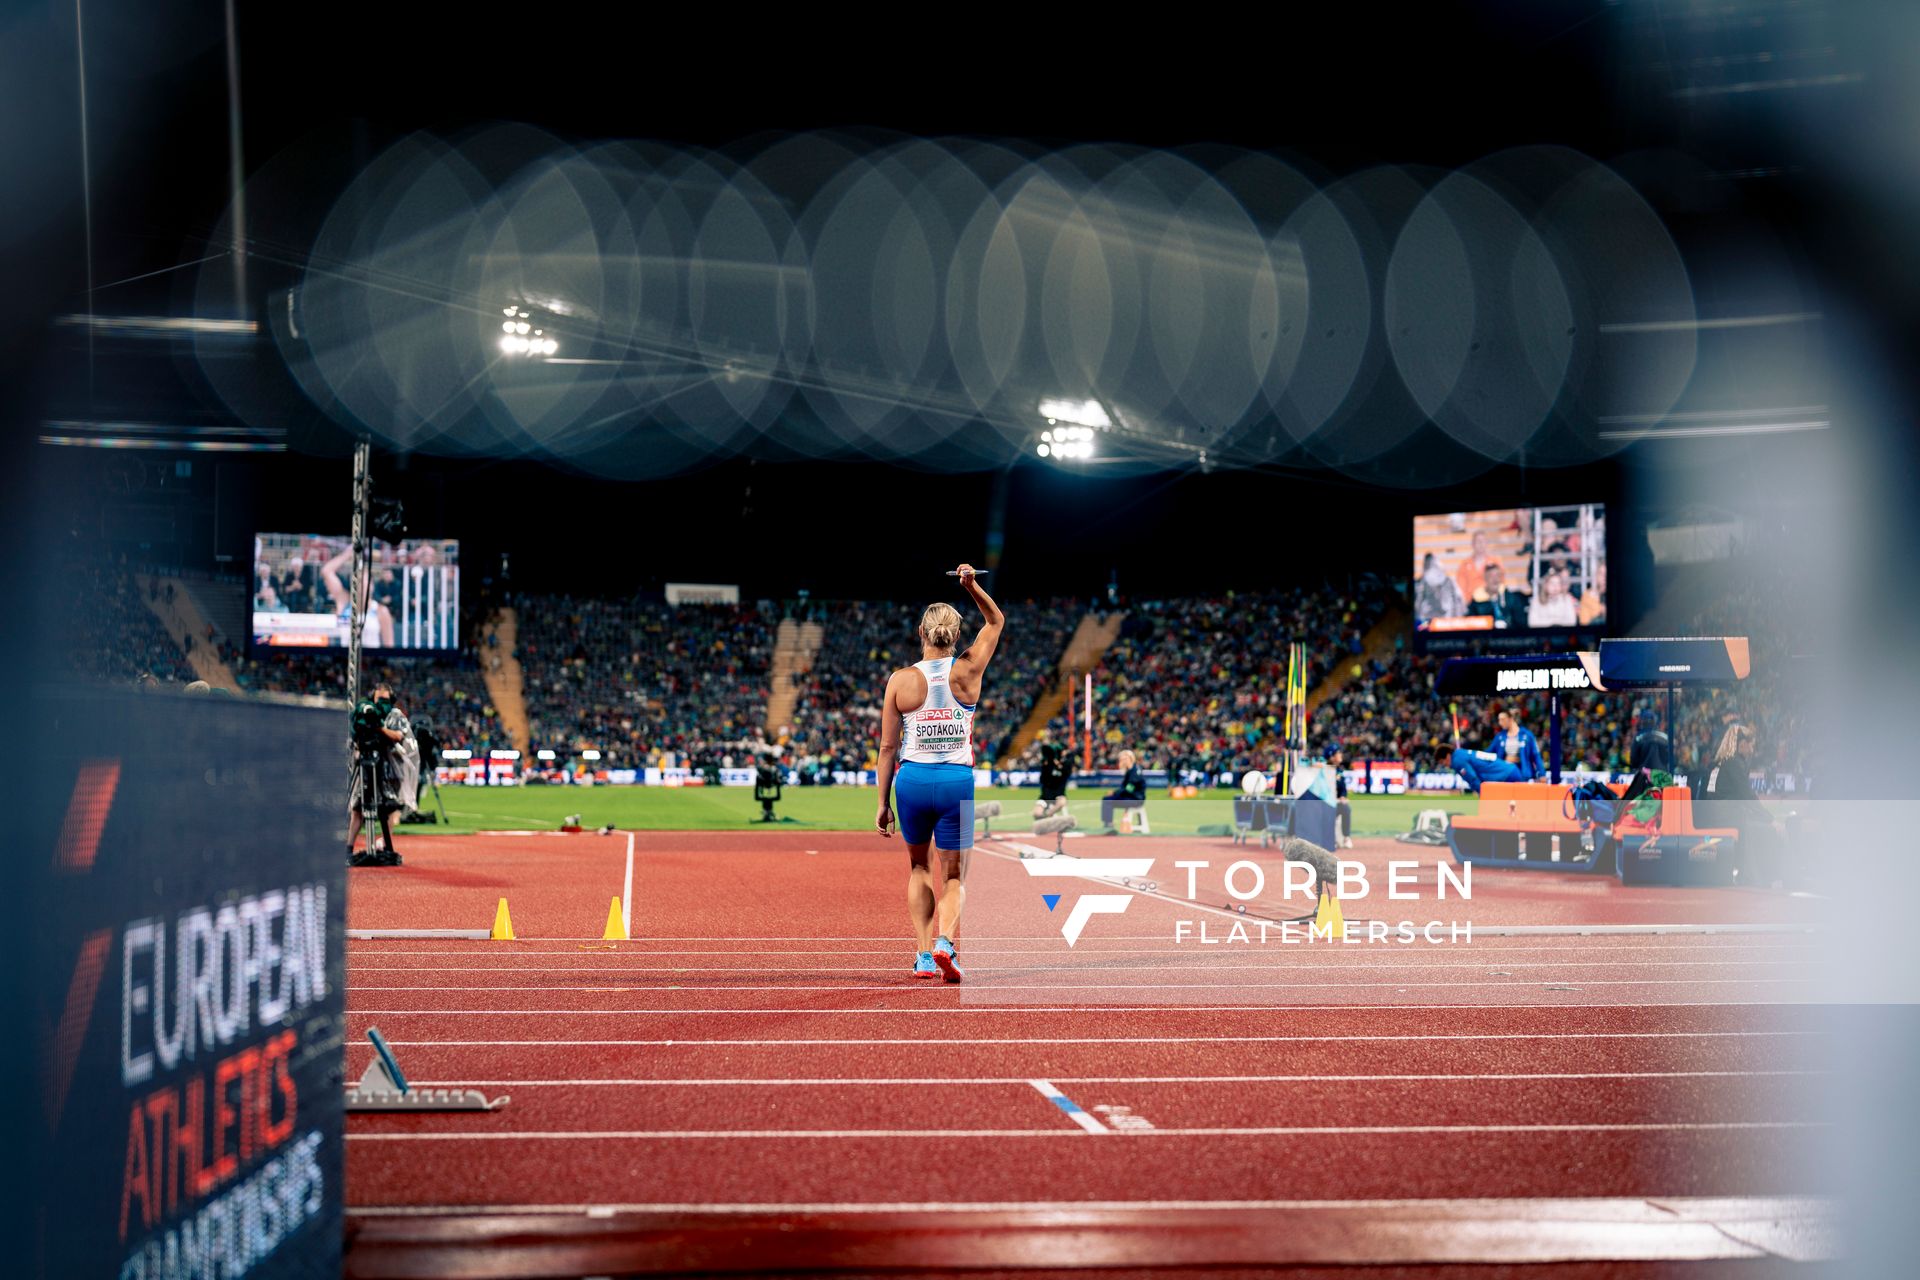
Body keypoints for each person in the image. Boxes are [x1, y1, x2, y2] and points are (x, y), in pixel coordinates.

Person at [875, 565, 1004, 983]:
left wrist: (882, 803)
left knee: (919, 869)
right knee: (952, 876)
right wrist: (971, 586)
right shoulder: (968, 670)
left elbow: (887, 748)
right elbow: (996, 622)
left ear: (921, 632)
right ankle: (945, 942)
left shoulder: (900, 680)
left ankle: (923, 956)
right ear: (956, 634)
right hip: (955, 782)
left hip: (912, 781)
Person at [1698, 723, 1787, 886]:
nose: (1752, 750)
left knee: (1754, 822)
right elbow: (1747, 796)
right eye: (1751, 745)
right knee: (1766, 829)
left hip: (1716, 815)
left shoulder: (1719, 762)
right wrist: (1770, 819)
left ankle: (1751, 874)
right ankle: (1759, 877)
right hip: (1728, 817)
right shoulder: (1734, 763)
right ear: (1742, 744)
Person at [348, 681, 415, 866]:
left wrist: (378, 727)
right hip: (367, 765)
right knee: (358, 808)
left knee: (389, 808)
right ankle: (348, 848)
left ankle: (386, 845)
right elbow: (355, 737)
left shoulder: (396, 715)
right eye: (379, 699)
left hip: (390, 771)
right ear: (373, 698)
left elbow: (399, 736)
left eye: (386, 699)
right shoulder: (364, 712)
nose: (382, 704)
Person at [1450, 708, 1544, 793]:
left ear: (1510, 719)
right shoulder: (1500, 737)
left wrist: (1541, 774)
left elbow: (1536, 755)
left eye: (1502, 719)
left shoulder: (1526, 735)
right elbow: (1488, 754)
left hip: (1523, 773)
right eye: (1499, 720)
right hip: (1506, 773)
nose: (1500, 723)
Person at [1466, 561, 1530, 629]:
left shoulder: (1511, 598)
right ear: (1485, 578)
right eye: (1491, 576)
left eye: (1498, 575)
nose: (1495, 579)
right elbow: (1470, 624)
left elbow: (1521, 623)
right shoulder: (1477, 601)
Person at [1100, 749, 1147, 833]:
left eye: (1124, 759)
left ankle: (1108, 824)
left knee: (1107, 800)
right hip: (1133, 797)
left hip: (1135, 799)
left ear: (1130, 759)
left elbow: (1129, 789)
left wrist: (1114, 793)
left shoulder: (1135, 772)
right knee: (1108, 798)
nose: (1122, 761)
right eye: (1121, 759)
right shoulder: (1131, 770)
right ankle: (1108, 823)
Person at [1414, 552, 1465, 622]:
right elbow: (1416, 608)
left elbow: (1459, 603)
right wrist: (1420, 613)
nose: (1434, 570)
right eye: (1430, 566)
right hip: (1427, 622)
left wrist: (1456, 620)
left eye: (1435, 566)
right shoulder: (1419, 585)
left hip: (1448, 622)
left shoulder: (1449, 582)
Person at [1034, 735, 1071, 819]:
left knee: (1062, 802)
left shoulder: (1066, 764)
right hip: (1045, 796)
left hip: (1058, 795)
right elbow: (1042, 780)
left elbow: (1066, 772)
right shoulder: (1047, 765)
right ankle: (1048, 816)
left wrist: (1058, 765)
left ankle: (1049, 814)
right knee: (1036, 814)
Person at [1453, 531, 1494, 604]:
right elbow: (1460, 587)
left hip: (1490, 602)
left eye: (1483, 541)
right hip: (1471, 603)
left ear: (1487, 543)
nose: (1481, 544)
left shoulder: (1495, 563)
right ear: (1473, 544)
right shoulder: (1464, 564)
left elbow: (1500, 584)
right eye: (1478, 541)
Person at [1328, 747, 1354, 849]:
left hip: (1336, 803)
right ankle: (1330, 839)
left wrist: (1343, 797)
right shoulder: (1324, 769)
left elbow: (1343, 788)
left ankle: (1346, 838)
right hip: (1325, 803)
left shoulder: (1339, 770)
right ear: (1332, 757)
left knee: (1346, 808)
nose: (1341, 755)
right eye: (1338, 753)